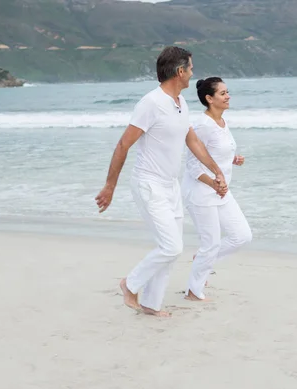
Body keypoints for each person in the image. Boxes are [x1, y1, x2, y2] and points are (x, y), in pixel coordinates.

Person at [95, 47, 227, 317]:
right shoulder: (151, 103)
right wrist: (110, 186)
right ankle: (130, 284)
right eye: (190, 68)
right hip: (149, 183)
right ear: (180, 71)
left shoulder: (181, 102)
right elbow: (123, 144)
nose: (192, 73)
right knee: (171, 246)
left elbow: (192, 140)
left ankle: (151, 304)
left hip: (170, 186)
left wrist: (215, 170)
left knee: (171, 250)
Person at [181, 77, 252, 301]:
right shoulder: (202, 125)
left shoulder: (222, 122)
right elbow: (192, 164)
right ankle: (193, 291)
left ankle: (201, 260)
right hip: (201, 191)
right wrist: (213, 183)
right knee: (210, 243)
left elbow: (213, 154)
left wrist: (232, 160)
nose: (228, 96)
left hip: (220, 189)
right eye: (222, 93)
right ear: (209, 99)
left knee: (242, 236)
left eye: (227, 92)